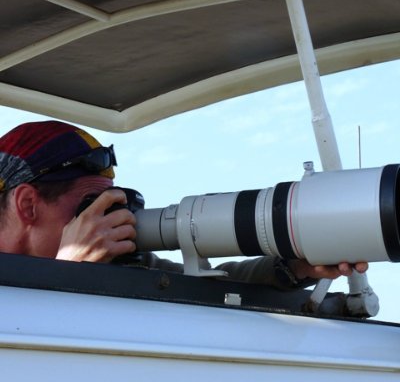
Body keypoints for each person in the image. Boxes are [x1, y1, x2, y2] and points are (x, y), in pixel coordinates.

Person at [0, 120, 367, 290]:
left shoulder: (113, 262)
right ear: (28, 204)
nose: (105, 221)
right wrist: (69, 274)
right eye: (89, 206)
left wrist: (296, 265)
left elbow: (209, 285)